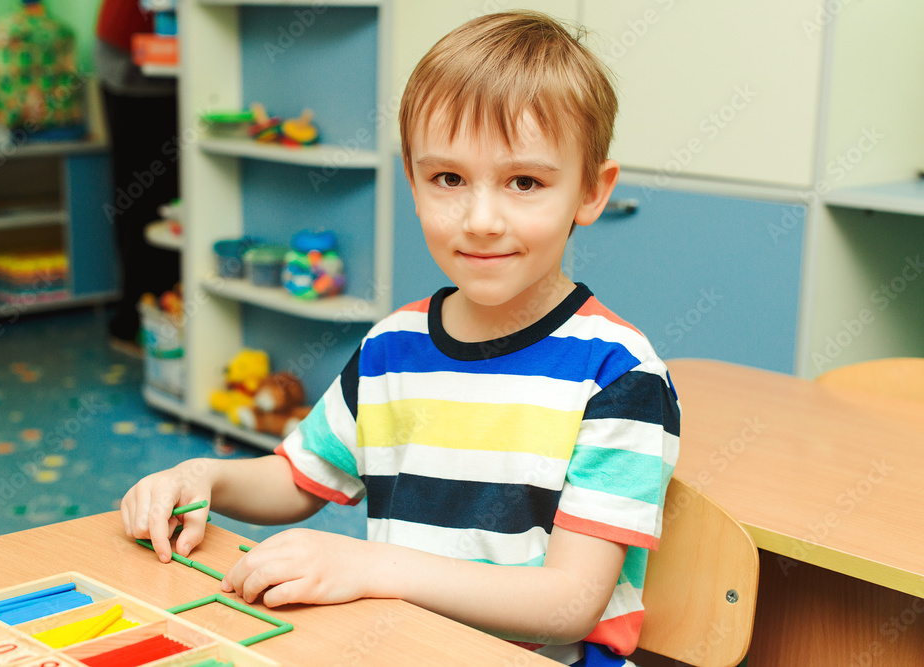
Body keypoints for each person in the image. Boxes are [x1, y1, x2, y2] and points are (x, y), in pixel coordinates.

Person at [121, 11, 679, 666]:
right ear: (412, 181)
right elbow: (299, 478)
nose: (481, 219)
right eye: (448, 178)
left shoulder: (620, 374)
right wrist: (204, 474)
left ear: (592, 190)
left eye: (524, 181)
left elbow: (569, 602)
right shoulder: (393, 345)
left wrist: (371, 565)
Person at [95, 0, 180, 352]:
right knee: (143, 198)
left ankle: (161, 316)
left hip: (167, 61)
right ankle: (134, 321)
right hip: (135, 63)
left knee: (167, 201)